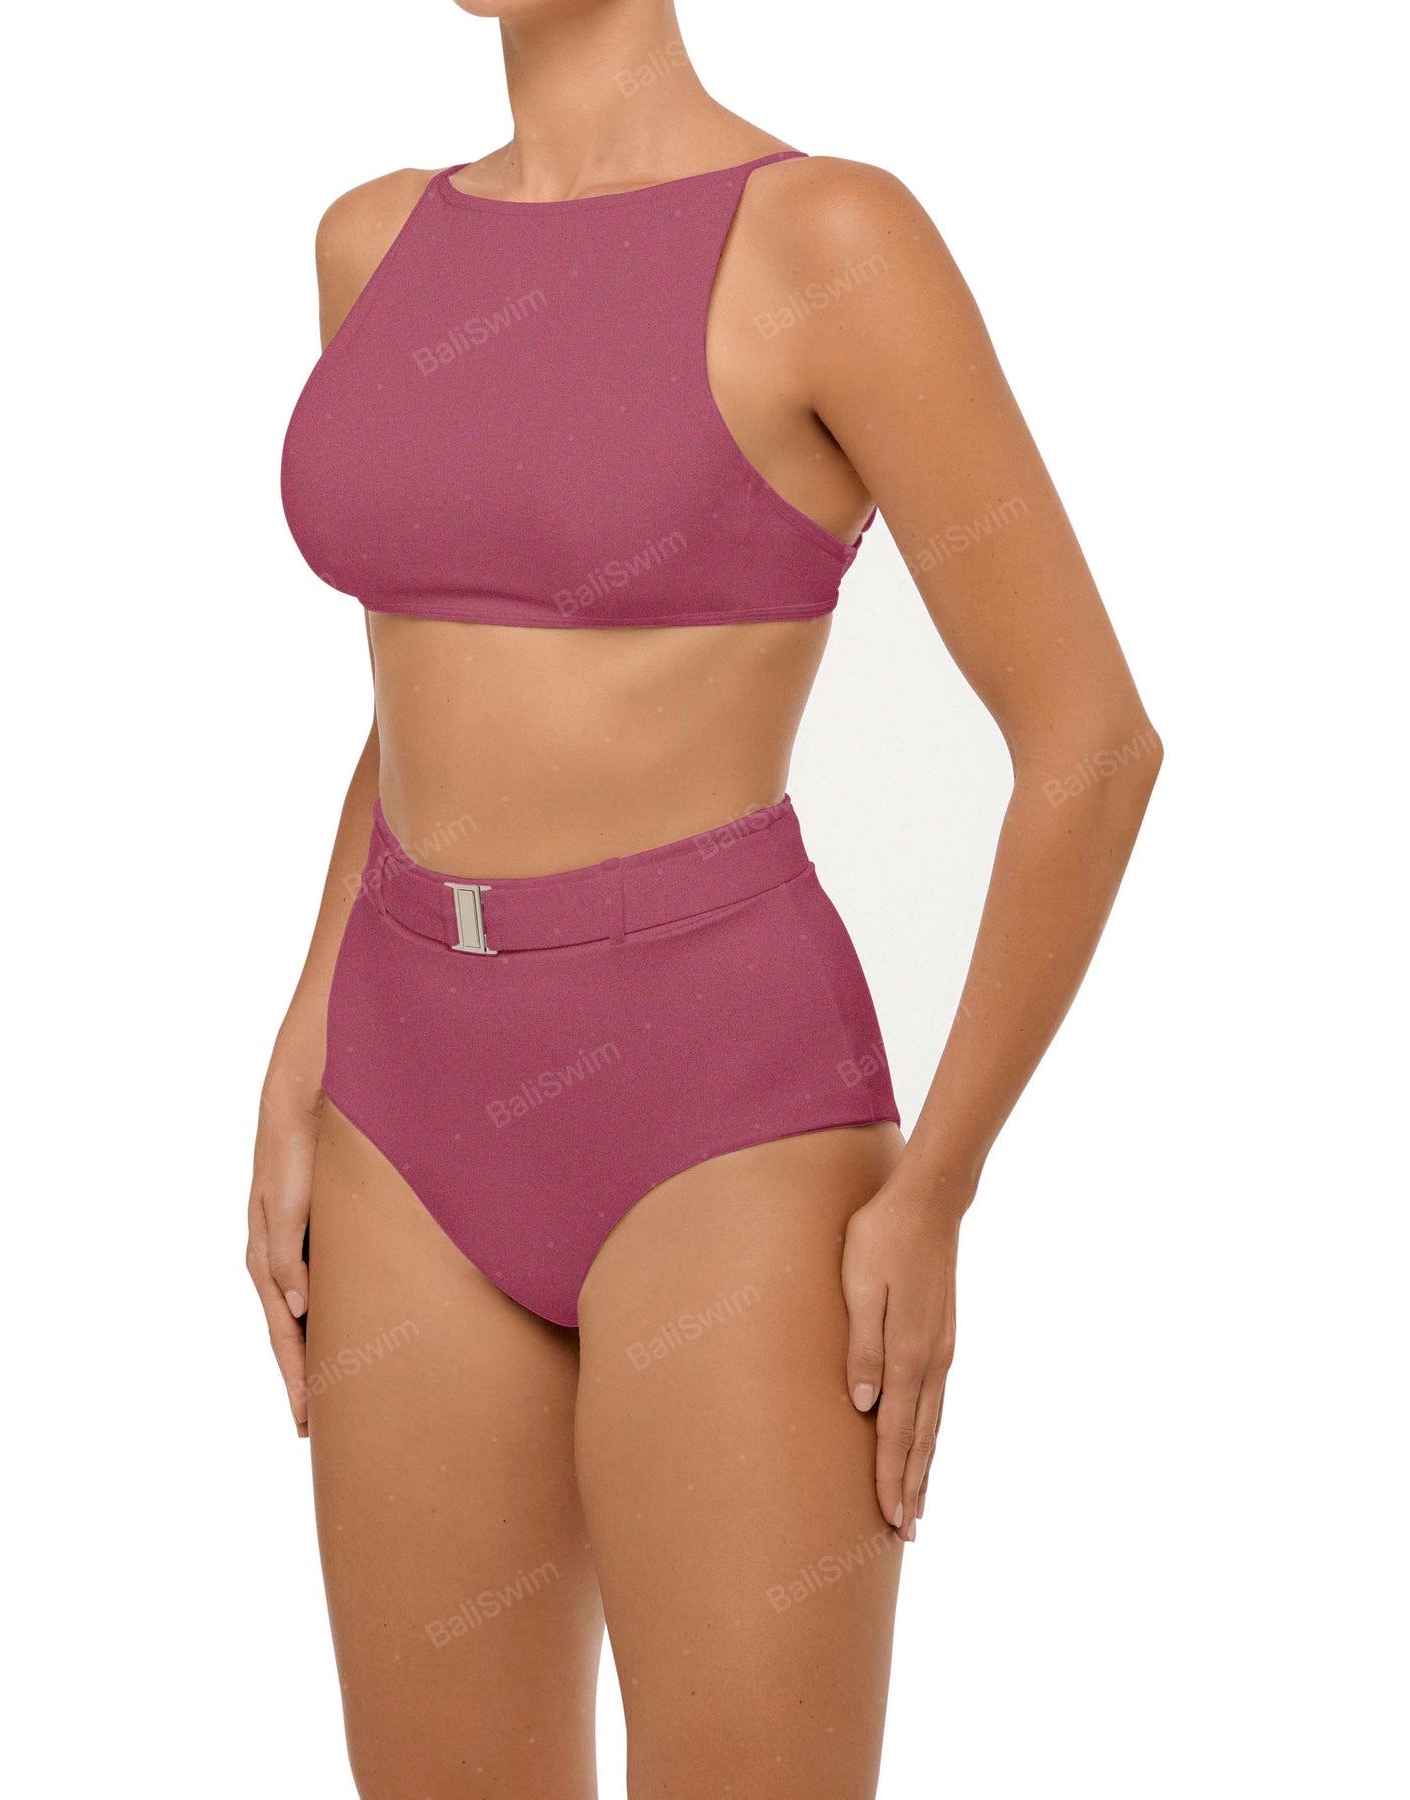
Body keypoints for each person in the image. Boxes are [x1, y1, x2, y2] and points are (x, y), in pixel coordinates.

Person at [247, 3, 1162, 1794]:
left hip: (720, 1116)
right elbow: (430, 682)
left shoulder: (827, 240)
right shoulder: (373, 243)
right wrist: (301, 1038)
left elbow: (1090, 743)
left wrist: (939, 1189)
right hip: (402, 1100)